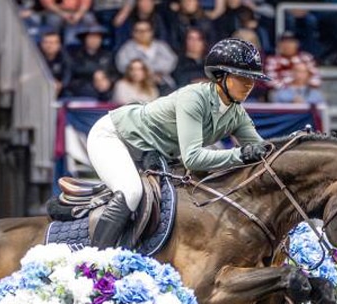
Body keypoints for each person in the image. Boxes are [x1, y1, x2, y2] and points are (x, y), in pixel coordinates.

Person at [86, 38, 273, 249]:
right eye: (242, 77)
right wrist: (240, 155)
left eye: (253, 79)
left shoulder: (236, 114)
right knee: (132, 192)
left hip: (150, 152)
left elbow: (264, 152)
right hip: (114, 136)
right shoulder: (194, 98)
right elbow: (192, 158)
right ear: (221, 76)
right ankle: (97, 259)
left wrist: (292, 145)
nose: (250, 84)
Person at [115, 20, 179, 88]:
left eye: (146, 30)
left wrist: (144, 69)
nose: (142, 33)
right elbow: (123, 67)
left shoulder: (161, 46)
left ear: (151, 32)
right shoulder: (126, 49)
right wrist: (149, 74)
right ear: (133, 33)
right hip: (137, 85)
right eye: (139, 31)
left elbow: (171, 61)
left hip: (162, 82)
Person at [66, 23, 118, 98]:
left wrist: (109, 81)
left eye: (97, 38)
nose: (94, 40)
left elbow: (115, 74)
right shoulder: (75, 55)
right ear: (84, 39)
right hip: (82, 87)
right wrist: (94, 76)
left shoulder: (108, 55)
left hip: (105, 87)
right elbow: (72, 74)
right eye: (91, 37)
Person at [39, 31, 73, 95]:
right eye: (46, 42)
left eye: (52, 43)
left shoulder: (65, 56)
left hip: (60, 88)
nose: (48, 46)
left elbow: (68, 73)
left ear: (58, 45)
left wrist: (61, 84)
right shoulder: (36, 57)